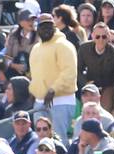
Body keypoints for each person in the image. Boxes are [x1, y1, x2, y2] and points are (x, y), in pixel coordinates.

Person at [29, 13, 78, 146]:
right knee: (42, 141)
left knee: (59, 139)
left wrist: (53, 89)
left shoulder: (64, 45)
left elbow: (69, 72)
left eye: (48, 26)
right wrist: (33, 93)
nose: (45, 29)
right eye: (42, 26)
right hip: (40, 102)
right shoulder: (35, 48)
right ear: (37, 29)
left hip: (60, 100)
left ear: (54, 26)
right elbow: (35, 76)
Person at [77, 22, 114, 110]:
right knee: (87, 106)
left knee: (104, 108)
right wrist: (85, 83)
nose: (101, 39)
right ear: (92, 36)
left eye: (104, 36)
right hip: (90, 84)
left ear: (109, 37)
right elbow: (77, 70)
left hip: (108, 86)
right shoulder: (84, 49)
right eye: (97, 36)